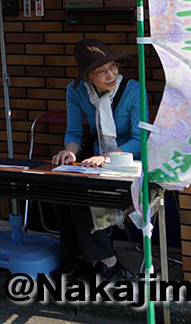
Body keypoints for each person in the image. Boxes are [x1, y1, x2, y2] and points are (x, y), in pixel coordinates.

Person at [51, 38, 140, 281]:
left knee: (82, 194)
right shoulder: (75, 90)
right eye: (101, 71)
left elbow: (140, 139)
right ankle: (76, 258)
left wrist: (106, 157)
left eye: (112, 67)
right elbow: (74, 133)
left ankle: (108, 261)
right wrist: (69, 151)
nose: (110, 75)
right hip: (95, 161)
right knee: (59, 188)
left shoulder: (133, 90)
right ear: (88, 76)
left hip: (128, 163)